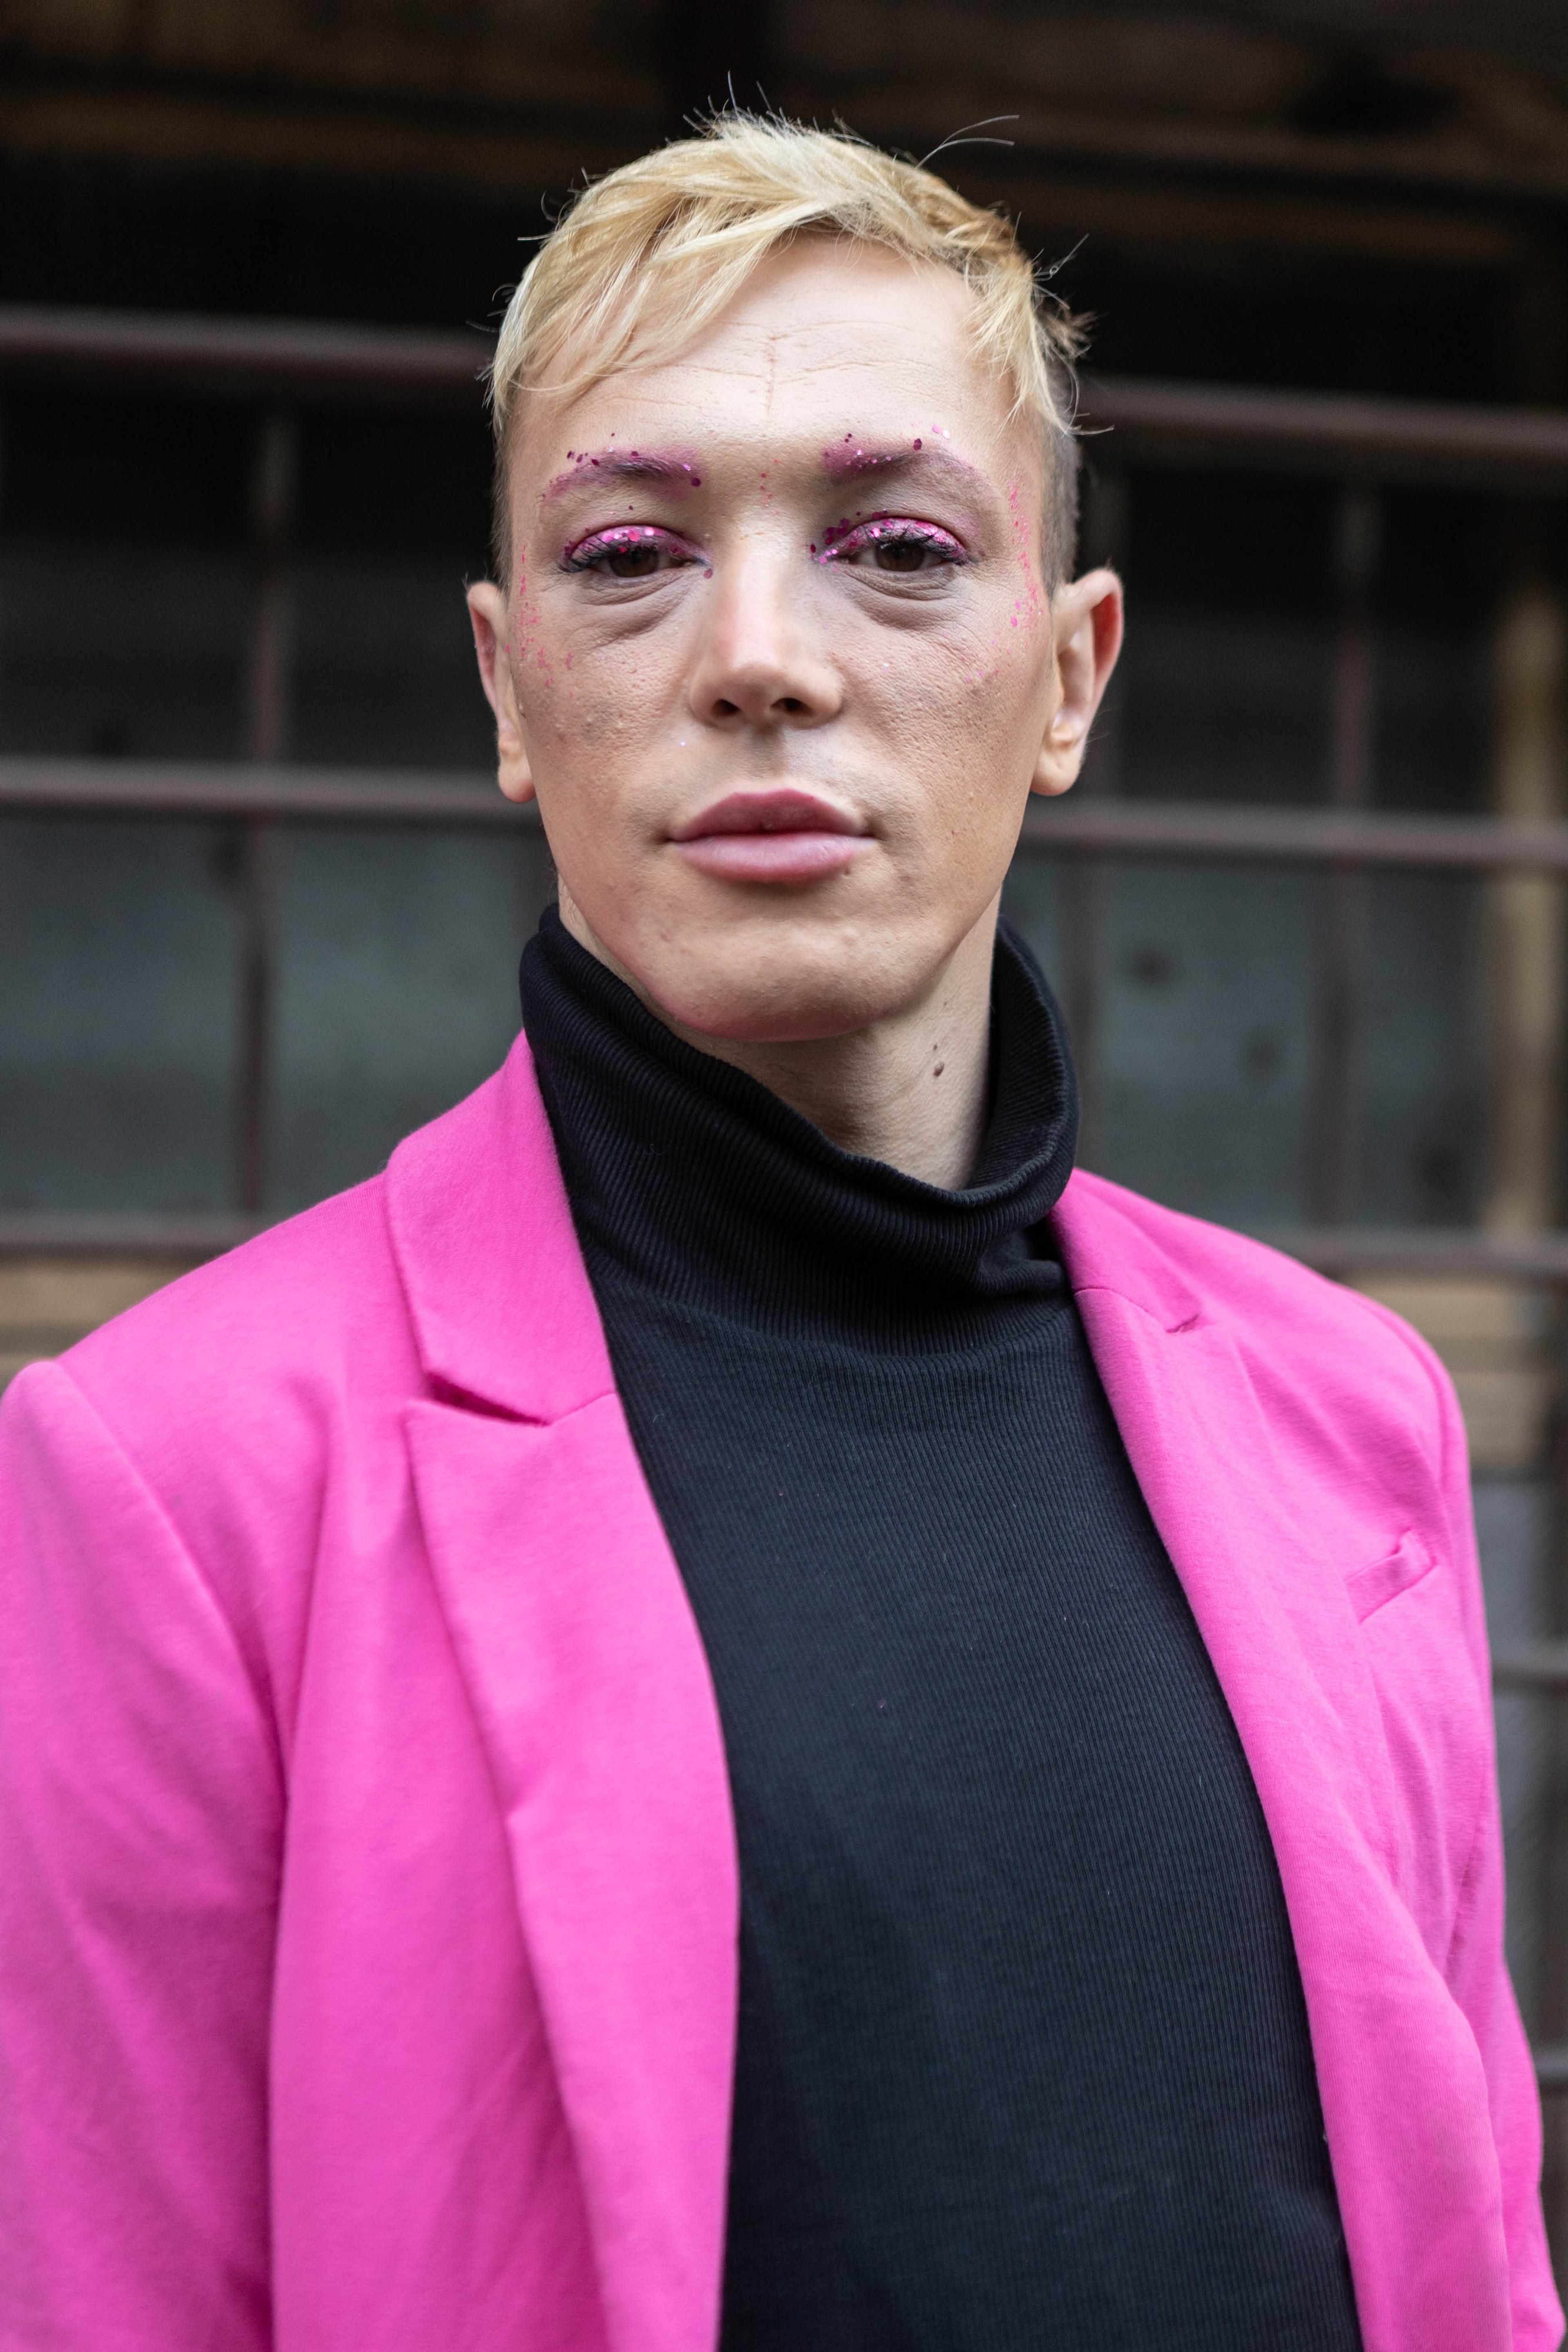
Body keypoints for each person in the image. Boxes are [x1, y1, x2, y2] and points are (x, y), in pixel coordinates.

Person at [0, 114, 1557, 2352]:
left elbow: (1475, 2263)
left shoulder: (1352, 1413)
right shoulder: (184, 1479)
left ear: (1073, 675)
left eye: (898, 547)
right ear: (504, 687)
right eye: (628, 553)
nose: (758, 656)